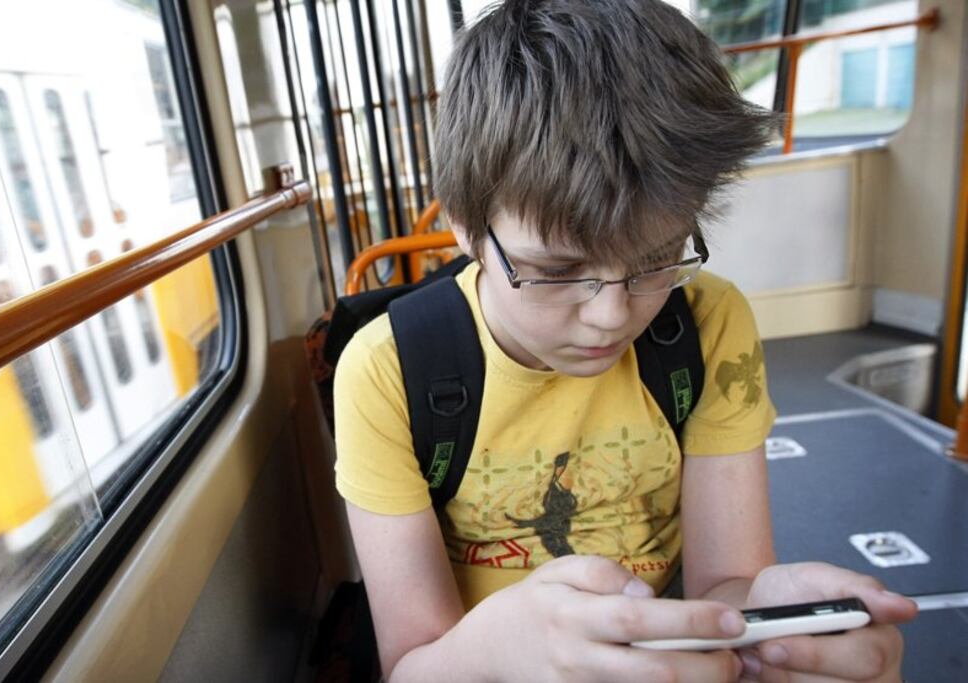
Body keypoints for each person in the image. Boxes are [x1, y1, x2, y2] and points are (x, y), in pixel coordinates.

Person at [332, 1, 917, 680]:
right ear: (464, 225)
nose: (613, 314)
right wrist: (496, 648)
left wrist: (760, 612)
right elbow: (412, 666)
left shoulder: (707, 322)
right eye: (555, 271)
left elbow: (725, 581)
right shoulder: (386, 372)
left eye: (658, 259)